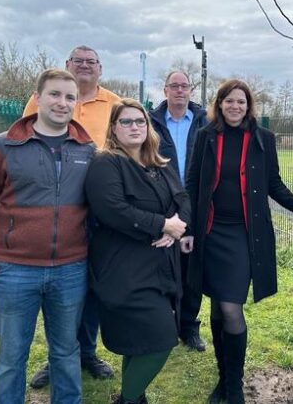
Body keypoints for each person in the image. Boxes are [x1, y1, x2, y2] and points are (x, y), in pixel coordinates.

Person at [0, 69, 95, 404]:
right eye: (54, 94)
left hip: (71, 269)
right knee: (11, 357)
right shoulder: (2, 146)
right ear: (37, 98)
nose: (62, 103)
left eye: (69, 97)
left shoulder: (88, 150)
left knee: (66, 353)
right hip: (14, 271)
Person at [186, 79, 293, 404]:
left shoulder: (262, 139)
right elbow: (192, 182)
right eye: (229, 101)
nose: (235, 107)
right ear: (220, 104)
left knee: (230, 307)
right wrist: (185, 227)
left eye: (241, 102)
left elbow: (274, 184)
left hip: (242, 235)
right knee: (215, 303)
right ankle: (223, 380)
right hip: (209, 232)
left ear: (249, 105)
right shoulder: (206, 137)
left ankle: (234, 385)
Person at [24, 45, 120, 387]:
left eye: (90, 62)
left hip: (98, 206)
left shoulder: (114, 103)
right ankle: (58, 357)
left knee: (90, 284)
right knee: (58, 285)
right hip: (54, 205)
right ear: (66, 66)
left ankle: (87, 352)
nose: (84, 66)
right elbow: (26, 137)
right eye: (77, 61)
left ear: (100, 68)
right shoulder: (45, 98)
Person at [85, 98, 190, 404]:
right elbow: (112, 210)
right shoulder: (105, 163)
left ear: (149, 127)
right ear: (113, 129)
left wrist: (176, 227)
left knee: (142, 339)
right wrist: (162, 225)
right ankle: (128, 400)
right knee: (160, 339)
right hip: (124, 267)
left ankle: (134, 396)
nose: (135, 127)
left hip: (160, 265)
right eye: (126, 122)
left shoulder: (159, 163)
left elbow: (183, 199)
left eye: (140, 121)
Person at [150, 70, 209, 352]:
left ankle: (188, 326)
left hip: (196, 203)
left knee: (191, 269)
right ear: (165, 91)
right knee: (161, 266)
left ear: (190, 90)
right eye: (174, 86)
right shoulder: (151, 122)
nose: (179, 91)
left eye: (184, 86)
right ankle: (165, 326)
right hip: (162, 203)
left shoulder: (204, 121)